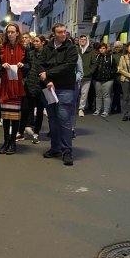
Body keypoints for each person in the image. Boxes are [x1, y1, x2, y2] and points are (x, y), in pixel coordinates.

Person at [41, 23, 79, 166]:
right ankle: (55, 148)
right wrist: (48, 81)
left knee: (64, 120)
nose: (63, 34)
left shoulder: (71, 49)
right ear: (54, 34)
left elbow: (68, 66)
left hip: (65, 89)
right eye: (60, 32)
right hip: (49, 88)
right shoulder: (47, 48)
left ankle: (67, 151)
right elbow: (41, 65)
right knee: (52, 119)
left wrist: (49, 74)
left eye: (64, 32)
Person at [0, 23, 27, 154]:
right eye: (8, 32)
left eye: (13, 32)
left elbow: (30, 66)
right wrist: (2, 65)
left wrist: (23, 65)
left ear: (17, 33)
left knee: (14, 117)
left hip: (17, 87)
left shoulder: (24, 48)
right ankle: (6, 141)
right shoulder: (2, 48)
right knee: (6, 117)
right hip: (5, 86)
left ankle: (13, 142)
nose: (10, 34)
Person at [20, 35, 47, 144]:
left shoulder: (47, 55)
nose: (34, 43)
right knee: (25, 109)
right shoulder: (30, 54)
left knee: (39, 111)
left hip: (41, 86)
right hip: (29, 84)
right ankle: (20, 132)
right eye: (34, 41)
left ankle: (36, 132)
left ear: (43, 42)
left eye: (37, 41)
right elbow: (27, 67)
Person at [92, 43, 116, 117]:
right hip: (97, 79)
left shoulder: (111, 57)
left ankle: (106, 111)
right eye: (100, 48)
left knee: (106, 95)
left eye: (103, 48)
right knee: (98, 95)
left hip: (108, 79)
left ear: (106, 49)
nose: (102, 49)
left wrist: (111, 74)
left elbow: (114, 67)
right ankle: (98, 110)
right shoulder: (96, 57)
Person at [76, 34, 98, 118]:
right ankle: (74, 107)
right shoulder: (76, 49)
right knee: (75, 93)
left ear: (87, 41)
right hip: (77, 76)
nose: (82, 40)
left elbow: (94, 63)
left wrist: (90, 72)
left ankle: (81, 109)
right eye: (81, 39)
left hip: (87, 76)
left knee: (84, 93)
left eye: (84, 39)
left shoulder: (91, 51)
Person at [110, 41, 124, 114]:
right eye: (117, 47)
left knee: (117, 93)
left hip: (122, 75)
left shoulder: (124, 54)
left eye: (119, 47)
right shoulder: (112, 54)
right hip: (114, 75)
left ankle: (113, 108)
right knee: (116, 92)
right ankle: (118, 108)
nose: (118, 48)